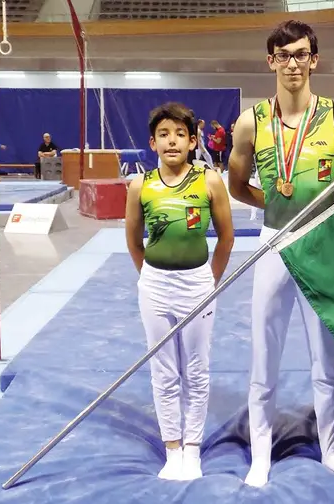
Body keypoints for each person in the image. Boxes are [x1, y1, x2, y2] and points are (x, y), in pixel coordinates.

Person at [226, 20, 334, 488]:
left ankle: (331, 448)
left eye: (301, 54)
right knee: (265, 354)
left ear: (314, 59)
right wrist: (278, 202)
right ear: (271, 62)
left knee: (325, 355)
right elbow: (236, 184)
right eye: (283, 55)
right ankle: (260, 454)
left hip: (324, 247)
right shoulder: (250, 122)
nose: (293, 63)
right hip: (273, 243)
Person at [124, 102, 235, 481]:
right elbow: (133, 241)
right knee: (164, 370)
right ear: (152, 142)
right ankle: (172, 448)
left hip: (197, 283)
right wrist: (151, 278)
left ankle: (193, 448)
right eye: (164, 135)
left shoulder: (209, 181)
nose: (172, 141)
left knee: (197, 370)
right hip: (154, 284)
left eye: (180, 134)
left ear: (192, 141)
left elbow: (226, 238)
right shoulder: (141, 184)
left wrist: (209, 281)